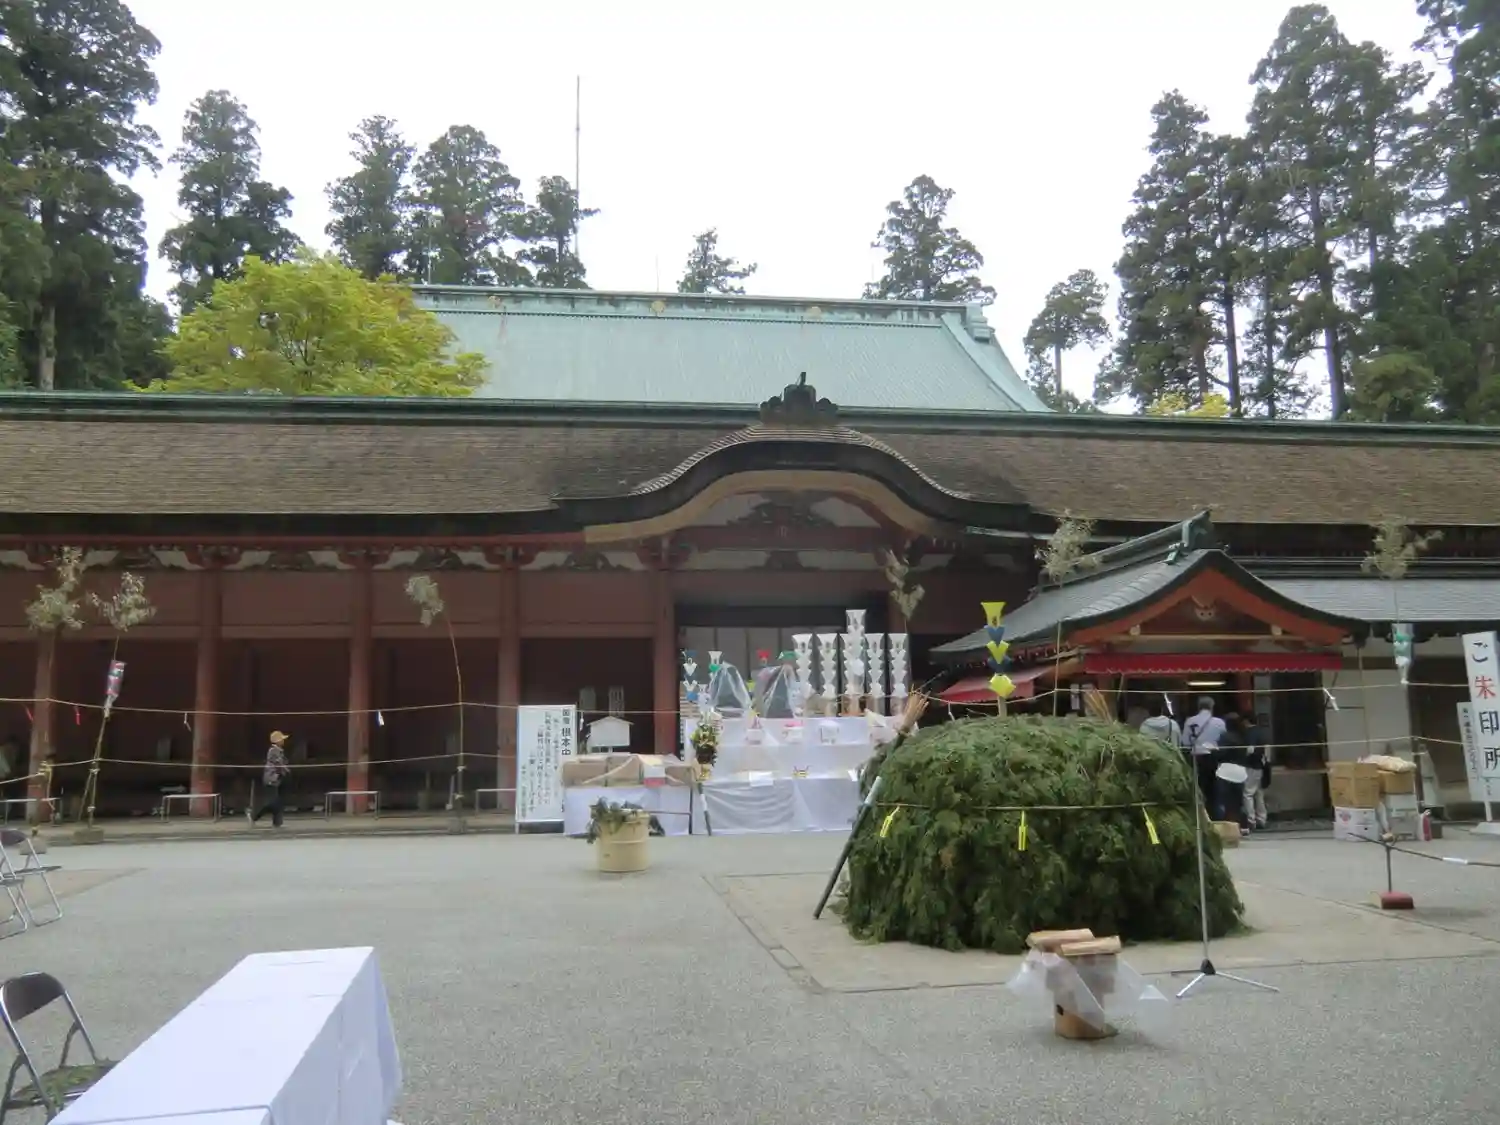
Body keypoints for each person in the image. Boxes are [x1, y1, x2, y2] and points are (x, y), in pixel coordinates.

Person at [1181, 697, 1226, 812]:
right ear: (1212, 707)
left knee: (1198, 787)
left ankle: (1200, 812)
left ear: (1198, 707)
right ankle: (1214, 813)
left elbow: (1185, 742)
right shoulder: (1219, 722)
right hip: (1213, 757)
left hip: (1196, 757)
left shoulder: (1190, 721)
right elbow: (1224, 741)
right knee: (1214, 788)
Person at [250, 730, 291, 829]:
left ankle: (277, 823)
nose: (283, 741)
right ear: (278, 741)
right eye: (282, 739)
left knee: (278, 802)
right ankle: (254, 816)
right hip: (271, 779)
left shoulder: (279, 751)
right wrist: (286, 770)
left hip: (277, 778)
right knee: (273, 802)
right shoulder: (273, 751)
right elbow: (279, 764)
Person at [1240, 714, 1270, 830]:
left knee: (1247, 793)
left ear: (1246, 721)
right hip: (1260, 766)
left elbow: (1250, 750)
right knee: (1259, 793)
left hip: (1251, 765)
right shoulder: (1262, 732)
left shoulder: (1249, 733)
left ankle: (1251, 820)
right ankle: (1262, 818)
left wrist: (1243, 758)